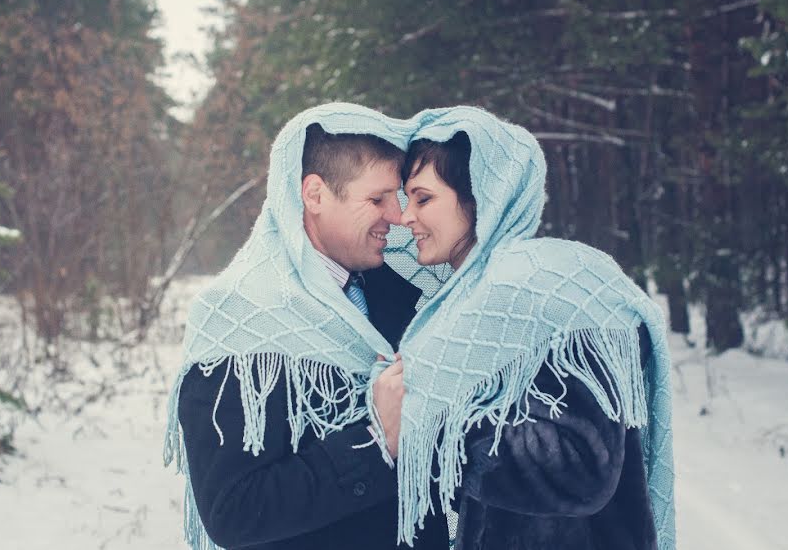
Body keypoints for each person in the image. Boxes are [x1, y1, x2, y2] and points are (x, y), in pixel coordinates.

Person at [371, 106, 675, 550]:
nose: (406, 217)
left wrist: (425, 424)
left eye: (423, 198)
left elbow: (581, 469)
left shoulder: (546, 287)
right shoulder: (467, 301)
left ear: (482, 197)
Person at [163, 104, 448, 550]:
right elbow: (233, 511)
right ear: (314, 195)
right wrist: (375, 443)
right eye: (376, 199)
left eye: (398, 197)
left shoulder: (407, 292)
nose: (396, 216)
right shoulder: (244, 317)